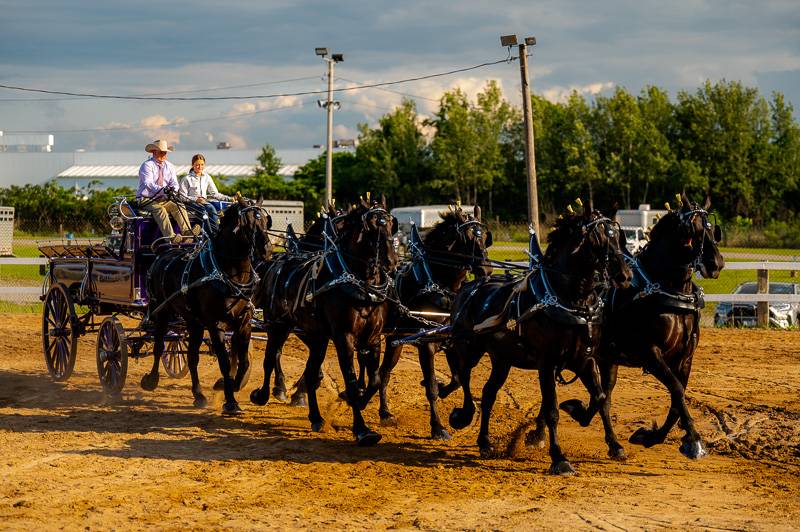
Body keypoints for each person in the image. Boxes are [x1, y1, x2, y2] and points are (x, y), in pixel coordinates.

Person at [137, 139, 191, 243]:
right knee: (159, 210)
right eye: (161, 152)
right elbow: (149, 184)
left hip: (163, 199)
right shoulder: (147, 165)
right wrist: (164, 190)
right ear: (154, 152)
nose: (163, 154)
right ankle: (170, 237)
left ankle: (187, 232)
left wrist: (172, 190)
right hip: (146, 199)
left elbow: (174, 183)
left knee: (179, 206)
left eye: (164, 152)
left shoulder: (170, 166)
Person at [178, 153, 232, 234]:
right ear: (193, 165)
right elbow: (182, 197)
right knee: (208, 209)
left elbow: (215, 194)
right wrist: (196, 199)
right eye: (197, 165)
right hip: (190, 204)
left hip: (204, 202)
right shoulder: (186, 179)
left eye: (202, 164)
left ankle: (214, 231)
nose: (200, 167)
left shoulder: (207, 177)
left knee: (216, 209)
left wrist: (229, 198)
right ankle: (214, 233)